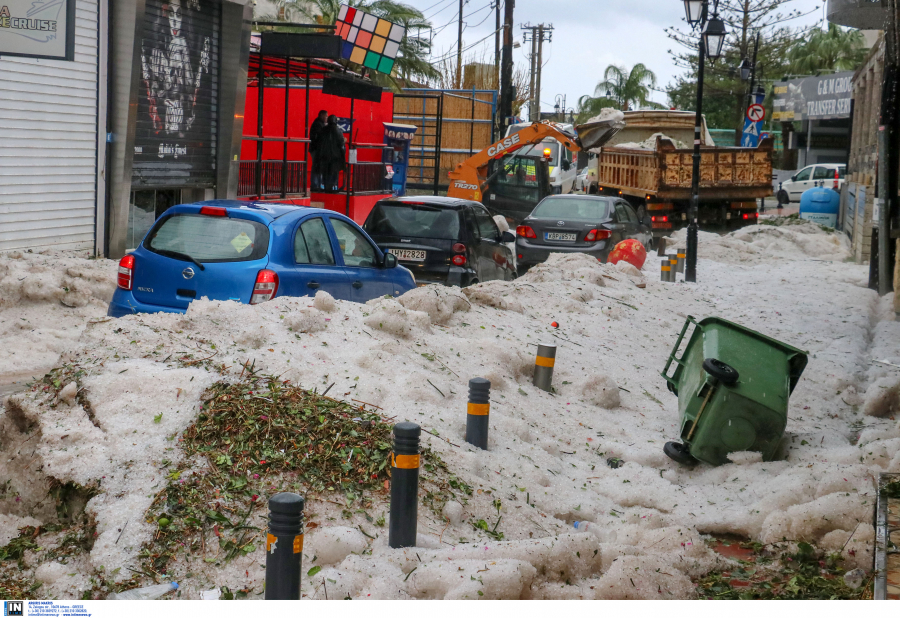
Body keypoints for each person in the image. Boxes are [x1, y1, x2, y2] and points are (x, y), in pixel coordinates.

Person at [319, 115, 346, 192]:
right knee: (334, 172)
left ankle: (326, 187)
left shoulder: (323, 130)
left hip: (324, 155)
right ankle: (332, 187)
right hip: (335, 156)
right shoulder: (338, 131)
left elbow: (319, 142)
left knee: (325, 172)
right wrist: (342, 155)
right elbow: (341, 144)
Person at [309, 110, 327, 191]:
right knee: (317, 167)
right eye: (326, 116)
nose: (326, 118)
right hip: (317, 149)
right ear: (322, 115)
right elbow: (320, 137)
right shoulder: (318, 124)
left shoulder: (318, 123)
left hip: (316, 149)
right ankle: (316, 185)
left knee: (317, 167)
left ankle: (317, 185)